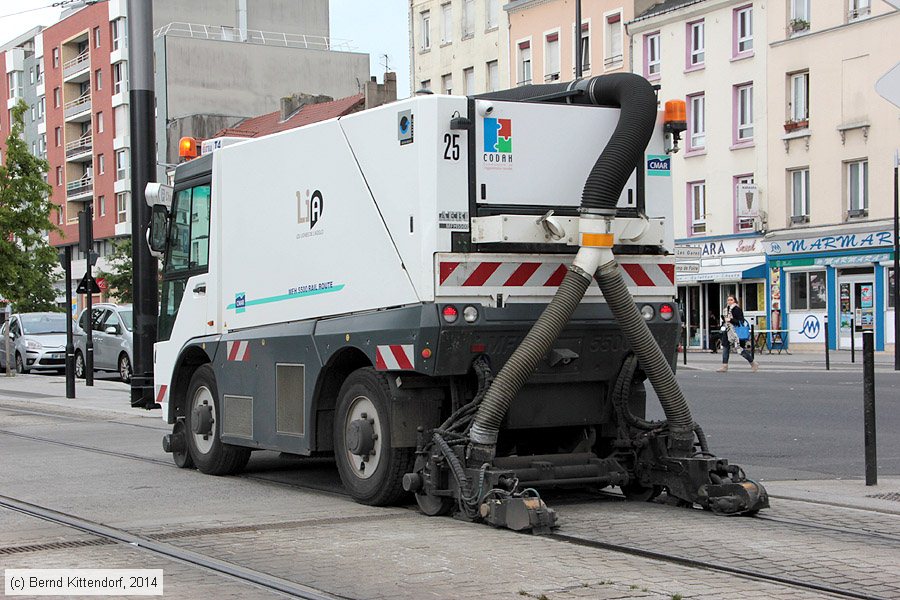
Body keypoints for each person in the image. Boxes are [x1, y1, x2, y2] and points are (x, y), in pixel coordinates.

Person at [717, 295, 758, 372]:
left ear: (735, 301)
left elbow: (740, 321)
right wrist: (723, 323)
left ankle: (752, 362)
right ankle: (724, 366)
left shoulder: (737, 309)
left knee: (739, 349)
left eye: (731, 300)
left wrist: (730, 320)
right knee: (725, 347)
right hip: (727, 331)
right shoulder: (726, 310)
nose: (729, 301)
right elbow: (725, 321)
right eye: (728, 300)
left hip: (735, 332)